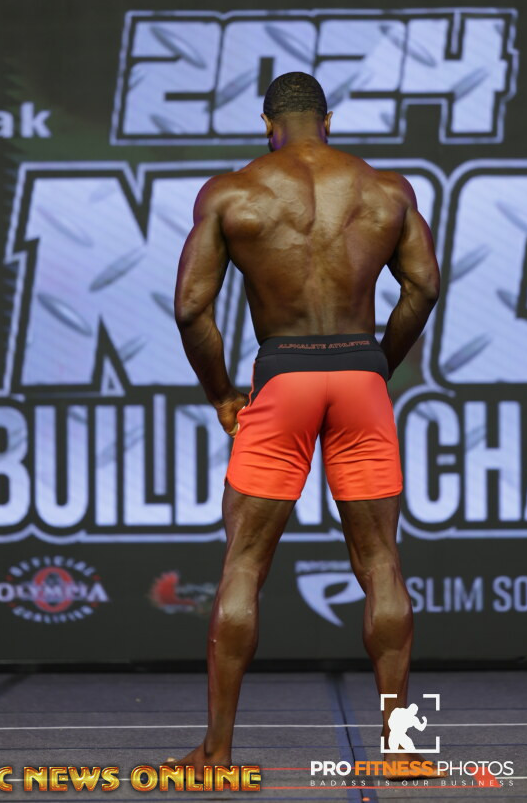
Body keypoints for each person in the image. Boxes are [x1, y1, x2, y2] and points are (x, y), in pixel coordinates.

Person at [172, 71, 441, 776]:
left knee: (244, 564)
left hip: (283, 376)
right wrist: (377, 363)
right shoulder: (386, 190)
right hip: (360, 378)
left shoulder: (232, 193)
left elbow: (191, 309)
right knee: (380, 562)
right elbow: (424, 287)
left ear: (268, 123)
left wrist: (223, 394)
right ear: (329, 121)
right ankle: (399, 750)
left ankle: (217, 753)